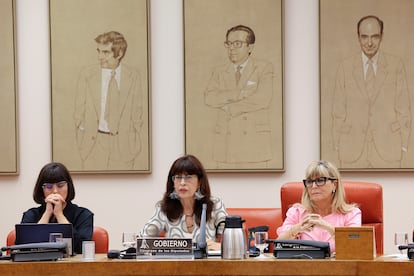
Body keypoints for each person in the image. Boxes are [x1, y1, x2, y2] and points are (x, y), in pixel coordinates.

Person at [332, 15, 411, 169]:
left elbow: (404, 108)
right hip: (351, 149)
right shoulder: (345, 67)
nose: (369, 43)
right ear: (358, 37)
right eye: (364, 37)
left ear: (381, 37)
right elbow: (338, 111)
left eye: (374, 37)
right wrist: (337, 144)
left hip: (389, 147)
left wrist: (403, 145)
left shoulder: (396, 66)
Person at [204, 25, 274, 169]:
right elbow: (209, 97)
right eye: (229, 44)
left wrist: (230, 107)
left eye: (237, 44)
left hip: (254, 141)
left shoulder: (263, 68)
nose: (231, 48)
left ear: (250, 47)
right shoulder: (219, 71)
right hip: (225, 143)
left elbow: (262, 99)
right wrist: (238, 94)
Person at [74, 31, 143, 171]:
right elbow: (78, 112)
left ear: (120, 53)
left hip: (124, 147)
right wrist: (82, 136)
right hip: (93, 146)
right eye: (98, 51)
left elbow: (139, 113)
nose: (100, 57)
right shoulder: (87, 75)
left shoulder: (133, 76)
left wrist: (134, 137)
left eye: (106, 52)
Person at [140, 155, 227, 250]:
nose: (182, 183)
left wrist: (221, 247)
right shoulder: (164, 207)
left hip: (206, 264)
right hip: (175, 263)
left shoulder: (214, 205)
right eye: (178, 177)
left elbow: (232, 239)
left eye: (188, 177)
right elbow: (142, 240)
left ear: (199, 181)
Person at [276, 160, 361, 253]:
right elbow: (279, 244)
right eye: (309, 181)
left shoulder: (351, 214)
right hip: (302, 266)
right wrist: (298, 228)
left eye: (320, 180)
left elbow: (356, 247)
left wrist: (327, 226)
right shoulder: (296, 212)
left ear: (334, 185)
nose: (313, 186)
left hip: (340, 267)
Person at [21, 162, 94, 254]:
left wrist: (59, 215)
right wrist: (47, 214)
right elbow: (23, 248)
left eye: (60, 185)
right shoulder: (31, 214)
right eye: (48, 186)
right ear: (41, 189)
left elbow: (82, 248)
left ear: (68, 187)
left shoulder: (83, 215)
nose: (55, 191)